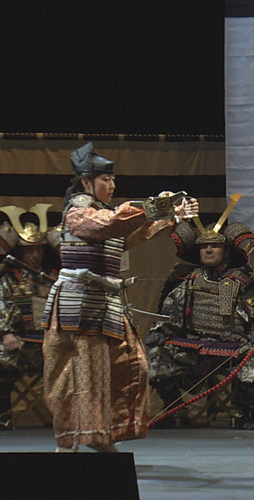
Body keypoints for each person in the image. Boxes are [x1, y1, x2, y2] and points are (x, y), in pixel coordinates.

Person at [42, 142, 197, 452]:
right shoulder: (78, 212)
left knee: (131, 366)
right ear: (86, 181)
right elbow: (110, 225)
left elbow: (130, 235)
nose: (112, 186)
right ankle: (74, 442)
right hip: (79, 308)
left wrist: (173, 214)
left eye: (113, 180)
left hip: (105, 304)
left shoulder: (103, 213)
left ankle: (100, 435)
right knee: (83, 375)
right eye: (105, 180)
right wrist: (159, 206)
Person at [145, 215, 254, 430]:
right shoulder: (185, 278)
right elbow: (168, 313)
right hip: (192, 347)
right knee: (155, 357)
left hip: (232, 348)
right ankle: (175, 409)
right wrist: (159, 331)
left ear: (225, 251)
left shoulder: (241, 280)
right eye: (204, 246)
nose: (208, 250)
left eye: (214, 246)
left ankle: (244, 413)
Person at [0, 204, 60, 429]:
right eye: (28, 250)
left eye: (38, 249)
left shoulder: (55, 279)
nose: (34, 255)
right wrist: (6, 333)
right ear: (20, 252)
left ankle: (68, 419)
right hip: (21, 345)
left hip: (53, 346)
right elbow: (2, 305)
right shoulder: (9, 279)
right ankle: (3, 416)